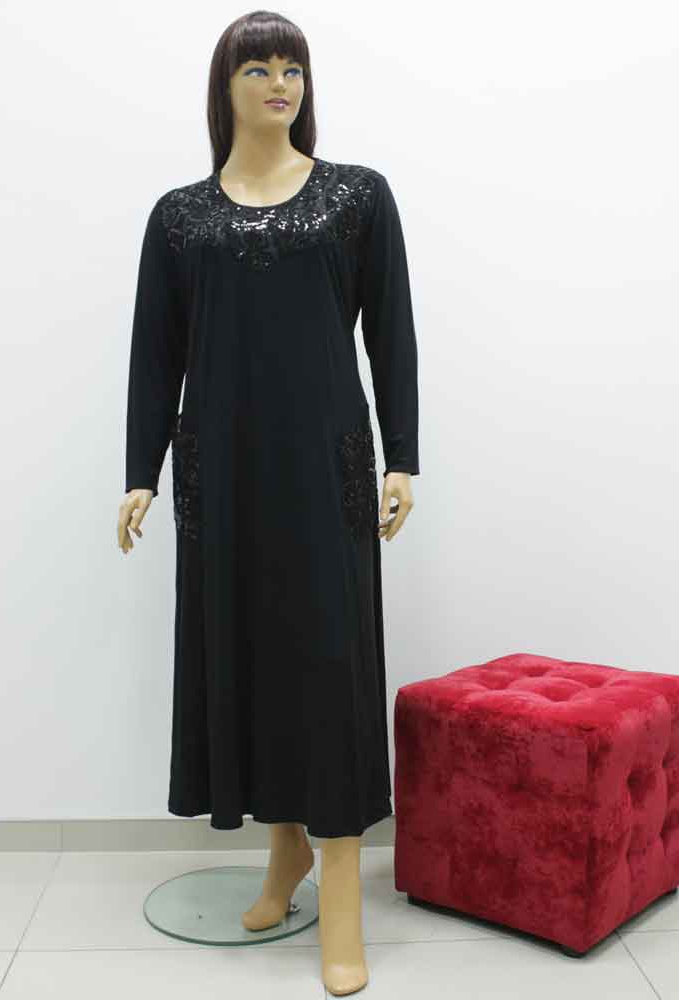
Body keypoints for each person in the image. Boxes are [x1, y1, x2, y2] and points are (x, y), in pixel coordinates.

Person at [117, 11, 420, 996]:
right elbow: (156, 354)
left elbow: (392, 334)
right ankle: (283, 851)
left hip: (326, 468)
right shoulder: (179, 218)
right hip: (223, 472)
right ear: (227, 86)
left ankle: (341, 894)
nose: (280, 82)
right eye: (259, 68)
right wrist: (141, 471)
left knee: (328, 664)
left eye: (293, 67)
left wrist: (403, 458)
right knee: (248, 653)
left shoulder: (356, 197)